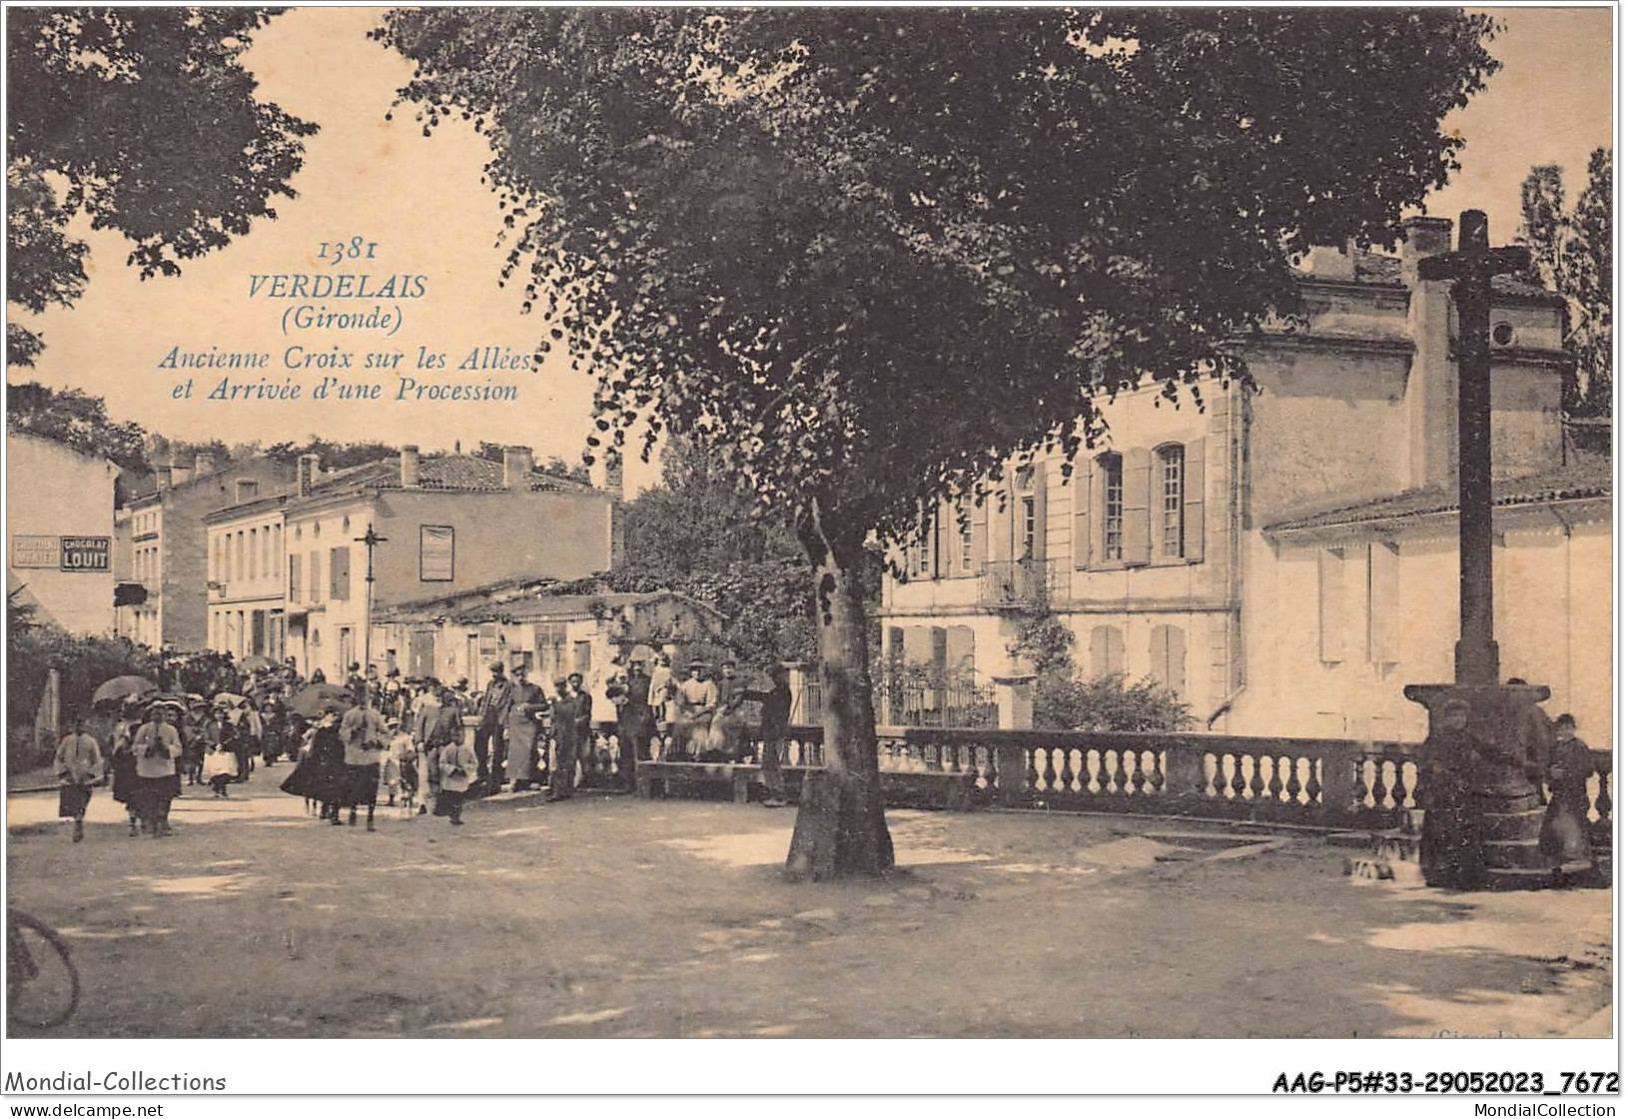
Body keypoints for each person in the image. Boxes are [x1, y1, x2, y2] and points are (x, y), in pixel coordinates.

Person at [1418, 698, 1484, 889]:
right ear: (1446, 718)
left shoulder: (1468, 738)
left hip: (1463, 794)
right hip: (1442, 794)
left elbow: (1489, 752)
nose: (1458, 719)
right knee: (1440, 835)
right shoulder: (1436, 738)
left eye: (1461, 715)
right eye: (1454, 715)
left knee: (1465, 834)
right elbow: (1428, 763)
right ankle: (1438, 876)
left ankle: (1463, 877)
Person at [1540, 714, 1597, 884]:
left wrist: (1567, 774)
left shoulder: (1580, 747)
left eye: (1568, 728)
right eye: (1562, 728)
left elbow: (1588, 770)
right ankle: (1557, 870)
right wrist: (1551, 775)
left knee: (1577, 830)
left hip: (1576, 795)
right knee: (1552, 831)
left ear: (1574, 729)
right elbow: (1547, 769)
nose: (1565, 731)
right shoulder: (1555, 747)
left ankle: (1586, 869)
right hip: (1559, 796)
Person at [741, 663, 793, 807]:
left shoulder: (782, 692)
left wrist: (747, 693)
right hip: (771, 732)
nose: (774, 679)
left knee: (772, 764)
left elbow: (768, 702)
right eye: (773, 676)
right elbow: (764, 697)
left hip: (776, 732)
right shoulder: (778, 691)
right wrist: (746, 693)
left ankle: (779, 795)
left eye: (776, 676)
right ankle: (774, 793)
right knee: (768, 764)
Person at [339, 689, 389, 830]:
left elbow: (385, 732)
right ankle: (353, 811)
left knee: (372, 787)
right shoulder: (350, 715)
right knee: (353, 786)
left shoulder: (375, 715)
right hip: (354, 755)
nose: (363, 700)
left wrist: (376, 742)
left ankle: (370, 816)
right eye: (360, 697)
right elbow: (343, 733)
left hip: (371, 755)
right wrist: (354, 731)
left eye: (366, 697)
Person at [132, 705, 184, 839]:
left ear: (165, 716)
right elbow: (135, 747)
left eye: (160, 714)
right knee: (149, 797)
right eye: (154, 714)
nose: (157, 717)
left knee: (165, 797)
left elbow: (178, 748)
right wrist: (148, 748)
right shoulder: (144, 729)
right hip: (147, 769)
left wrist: (165, 748)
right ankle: (151, 822)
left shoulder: (171, 730)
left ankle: (163, 820)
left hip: (165, 768)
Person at [607, 656, 654, 791]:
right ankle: (628, 783)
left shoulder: (647, 681)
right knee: (625, 752)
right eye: (634, 665)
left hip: (640, 718)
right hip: (625, 720)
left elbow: (650, 702)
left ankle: (644, 784)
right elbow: (610, 693)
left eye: (639, 665)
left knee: (640, 752)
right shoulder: (625, 681)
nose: (637, 668)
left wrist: (645, 719)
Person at [55, 715, 103, 843]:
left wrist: (92, 774)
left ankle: (79, 820)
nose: (79, 727)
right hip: (70, 775)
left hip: (85, 775)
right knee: (72, 801)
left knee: (83, 800)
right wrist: (64, 772)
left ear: (86, 726)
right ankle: (77, 822)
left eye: (81, 724)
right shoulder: (66, 741)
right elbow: (59, 757)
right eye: (76, 724)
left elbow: (97, 759)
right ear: (72, 726)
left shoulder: (91, 741)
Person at [506, 664, 549, 792]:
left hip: (529, 724)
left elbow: (544, 705)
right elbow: (506, 707)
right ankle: (514, 780)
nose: (520, 677)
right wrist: (506, 726)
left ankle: (530, 779)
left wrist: (530, 707)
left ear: (526, 674)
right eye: (517, 675)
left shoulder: (535, 689)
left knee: (530, 750)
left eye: (522, 674)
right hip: (515, 724)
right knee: (515, 752)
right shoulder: (511, 690)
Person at [474, 662, 514, 794]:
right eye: (493, 672)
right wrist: (481, 716)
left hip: (499, 717)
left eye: (496, 672)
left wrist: (504, 722)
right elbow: (485, 701)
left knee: (498, 748)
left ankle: (496, 777)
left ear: (501, 672)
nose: (494, 674)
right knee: (479, 743)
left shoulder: (508, 686)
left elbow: (508, 704)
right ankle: (482, 771)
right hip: (488, 716)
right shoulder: (490, 684)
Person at [547, 674, 590, 801]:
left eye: (561, 686)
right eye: (556, 687)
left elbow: (573, 714)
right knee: (558, 762)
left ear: (565, 686)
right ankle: (558, 789)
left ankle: (563, 790)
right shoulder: (556, 700)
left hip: (570, 734)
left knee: (566, 763)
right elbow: (554, 718)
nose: (558, 689)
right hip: (560, 734)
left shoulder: (570, 700)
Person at [673, 662, 718, 761]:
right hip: (688, 711)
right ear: (691, 672)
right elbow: (680, 702)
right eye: (694, 670)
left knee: (701, 724)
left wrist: (698, 713)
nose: (696, 673)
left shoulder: (709, 684)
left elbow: (711, 704)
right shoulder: (686, 685)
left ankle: (699, 754)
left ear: (703, 671)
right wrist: (686, 712)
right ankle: (679, 753)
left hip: (703, 711)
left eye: (699, 670)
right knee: (680, 724)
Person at [109, 705, 142, 837]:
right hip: (126, 764)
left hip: (138, 762)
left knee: (139, 793)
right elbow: (116, 747)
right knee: (131, 795)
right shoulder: (121, 727)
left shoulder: (140, 726)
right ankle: (133, 821)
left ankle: (137, 819)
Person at [438, 729, 479, 826]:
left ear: (463, 736)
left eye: (458, 736)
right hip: (451, 778)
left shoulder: (468, 749)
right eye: (454, 736)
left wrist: (466, 769)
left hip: (461, 778)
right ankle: (452, 816)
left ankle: (457, 816)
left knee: (459, 799)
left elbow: (474, 762)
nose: (456, 738)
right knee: (451, 798)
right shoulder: (448, 749)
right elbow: (442, 763)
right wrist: (451, 769)